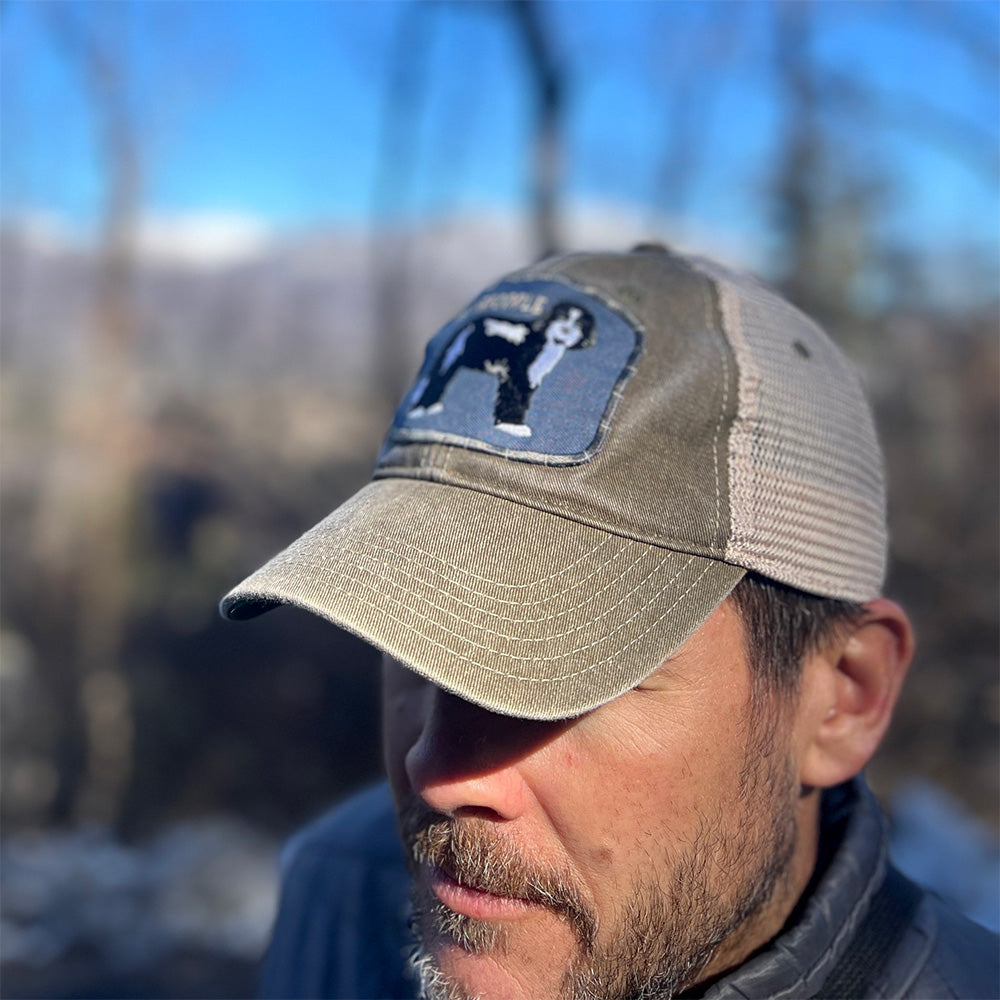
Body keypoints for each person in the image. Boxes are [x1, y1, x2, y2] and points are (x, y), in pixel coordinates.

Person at [221, 245, 999, 1000]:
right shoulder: (339, 892)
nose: (441, 771)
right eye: (418, 644)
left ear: (844, 699)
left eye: (571, 671)